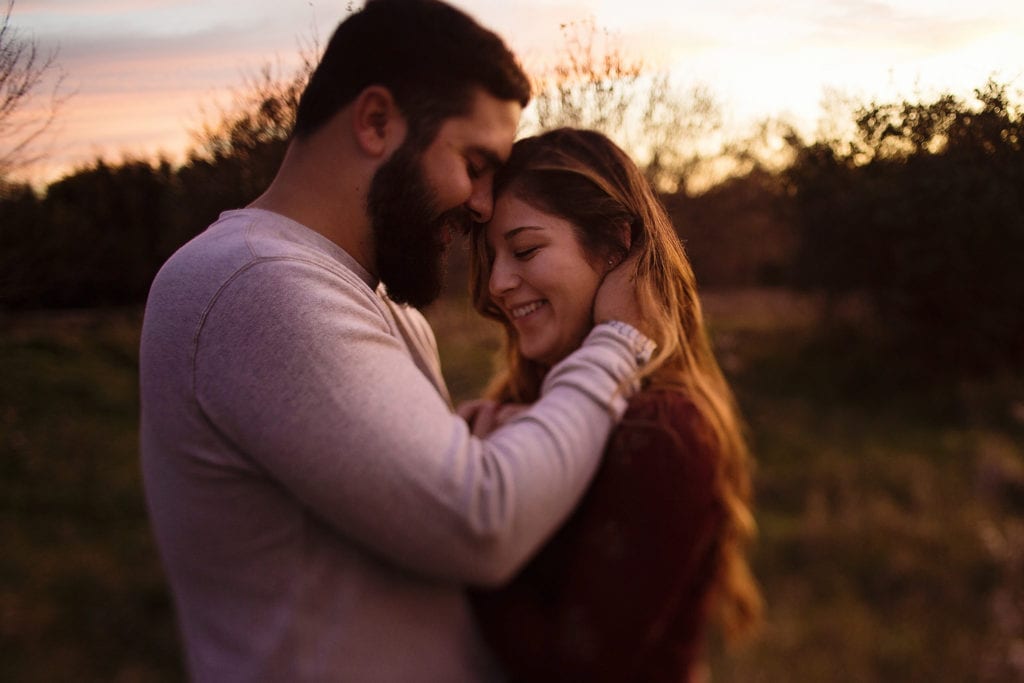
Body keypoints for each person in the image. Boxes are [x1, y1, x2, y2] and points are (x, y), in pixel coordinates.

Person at [138, 2, 655, 682]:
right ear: (377, 121)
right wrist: (618, 343)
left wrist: (471, 435)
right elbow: (480, 520)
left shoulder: (367, 296)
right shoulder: (253, 282)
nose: (481, 203)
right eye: (474, 163)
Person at [465, 128, 763, 682]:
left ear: (616, 246)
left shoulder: (661, 431)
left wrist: (461, 524)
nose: (498, 284)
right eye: (492, 258)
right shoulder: (523, 404)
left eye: (525, 249)